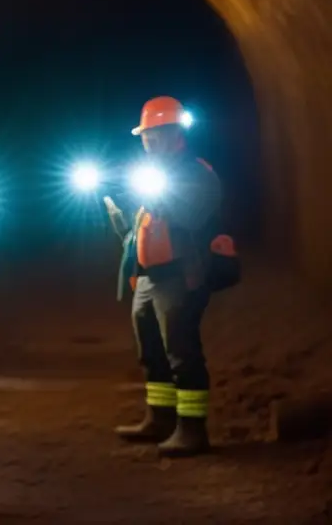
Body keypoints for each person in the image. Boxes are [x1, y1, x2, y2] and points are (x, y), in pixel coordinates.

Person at [110, 96, 224, 456]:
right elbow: (143, 229)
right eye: (145, 135)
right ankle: (159, 420)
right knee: (152, 351)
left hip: (180, 275)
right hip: (149, 277)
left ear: (174, 133)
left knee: (181, 351)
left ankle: (192, 430)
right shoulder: (153, 174)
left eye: (154, 134)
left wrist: (161, 197)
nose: (147, 141)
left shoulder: (196, 173)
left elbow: (192, 217)